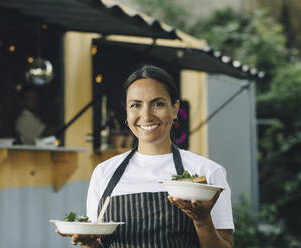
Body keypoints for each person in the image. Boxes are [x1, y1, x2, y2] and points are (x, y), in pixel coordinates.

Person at [58, 65, 234, 247]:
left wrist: (202, 221)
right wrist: (89, 244)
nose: (146, 115)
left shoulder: (207, 173)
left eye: (158, 104)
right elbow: (99, 243)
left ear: (175, 109)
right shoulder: (104, 173)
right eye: (135, 105)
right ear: (127, 113)